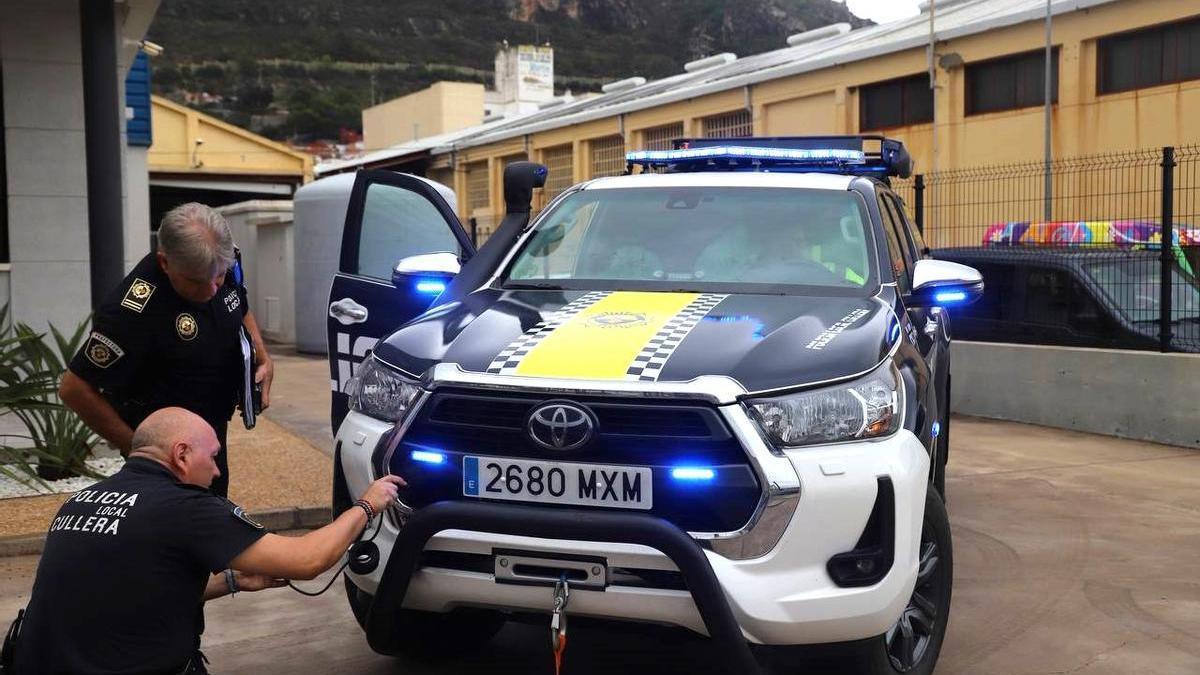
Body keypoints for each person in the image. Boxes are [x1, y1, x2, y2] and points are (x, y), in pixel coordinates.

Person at [10, 407, 405, 674]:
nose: (217, 471)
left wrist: (232, 581)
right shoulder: (186, 508)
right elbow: (307, 559)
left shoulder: (79, 502)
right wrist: (367, 505)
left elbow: (130, 592)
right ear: (181, 454)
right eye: (213, 457)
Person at [60, 202, 273, 497]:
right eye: (198, 282)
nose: (213, 289)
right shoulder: (132, 313)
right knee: (176, 531)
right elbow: (73, 388)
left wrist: (262, 356)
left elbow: (240, 304)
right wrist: (145, 454)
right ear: (165, 263)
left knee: (213, 514)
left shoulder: (221, 258)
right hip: (169, 454)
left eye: (219, 276)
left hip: (210, 429)